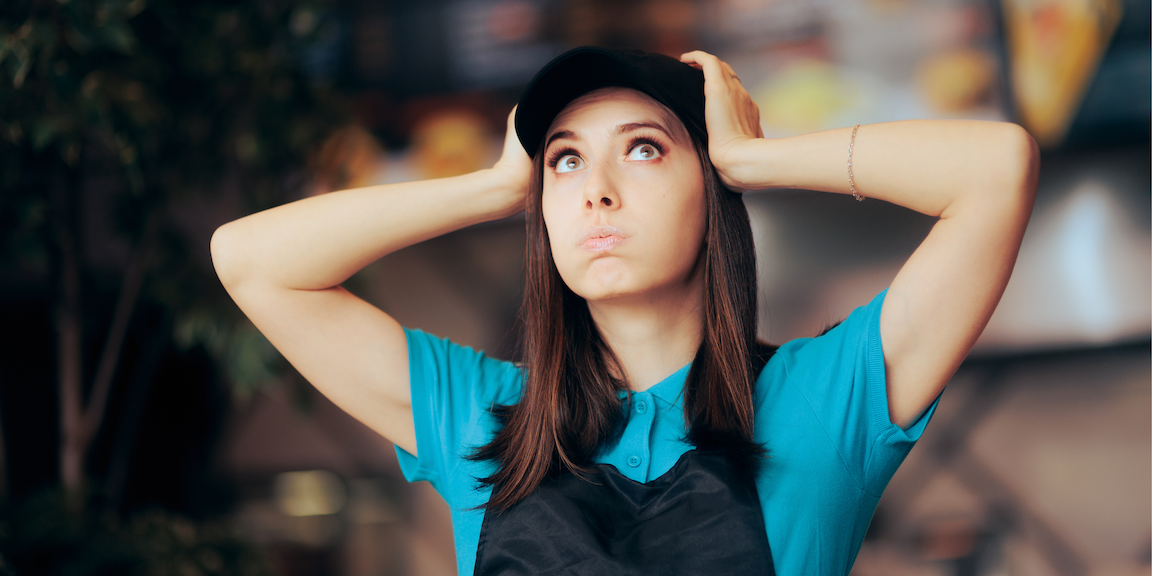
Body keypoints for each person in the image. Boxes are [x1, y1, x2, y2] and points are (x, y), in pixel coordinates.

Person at [211, 46, 1039, 575]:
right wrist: (495, 185)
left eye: (644, 149)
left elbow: (997, 170)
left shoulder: (825, 403)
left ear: (709, 190)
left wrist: (752, 156)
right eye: (567, 162)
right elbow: (251, 263)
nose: (596, 189)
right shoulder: (483, 420)